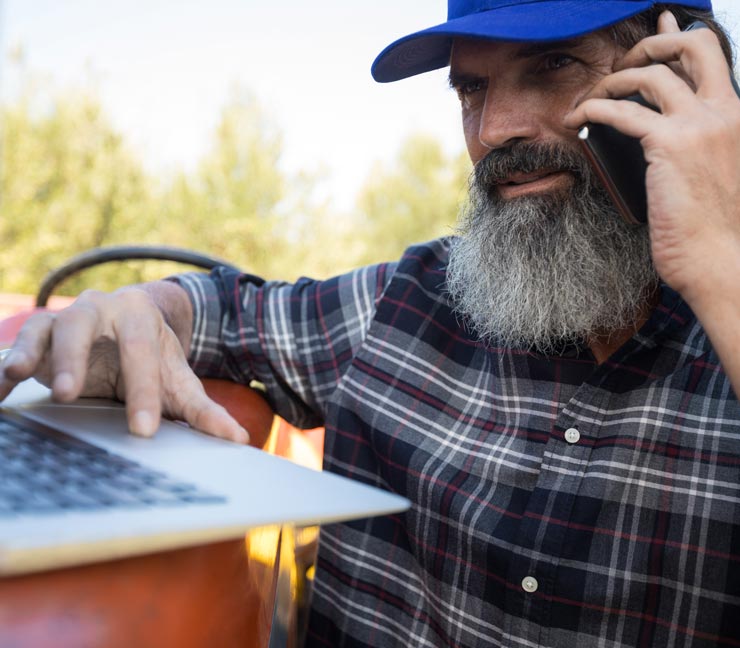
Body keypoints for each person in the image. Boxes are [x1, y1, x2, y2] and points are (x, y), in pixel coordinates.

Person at [2, 0, 740, 645]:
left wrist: (716, 258)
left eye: (553, 64)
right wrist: (139, 312)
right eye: (471, 89)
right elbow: (228, 312)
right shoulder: (415, 302)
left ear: (686, 80)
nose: (494, 129)